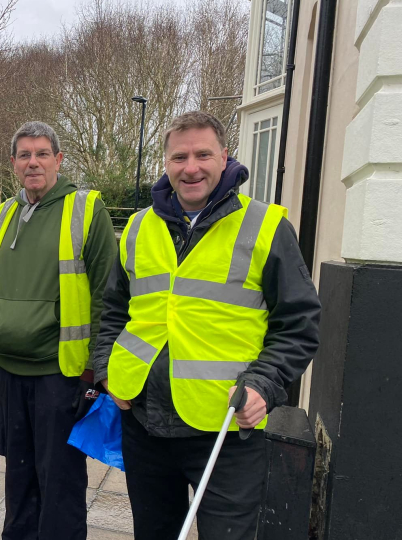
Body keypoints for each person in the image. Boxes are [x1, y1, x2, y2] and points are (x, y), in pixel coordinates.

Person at [93, 111, 322, 540]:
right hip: (144, 422)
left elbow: (298, 323)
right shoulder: (139, 227)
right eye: (179, 157)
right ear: (166, 163)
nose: (191, 167)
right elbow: (113, 311)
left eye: (202, 154)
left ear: (224, 157)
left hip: (225, 430)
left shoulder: (266, 226)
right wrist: (108, 372)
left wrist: (265, 385)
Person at [0, 121, 117, 540]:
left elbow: (107, 299)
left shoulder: (87, 210)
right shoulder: (4, 213)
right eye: (24, 155)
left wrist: (94, 372)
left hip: (62, 375)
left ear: (59, 159)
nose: (33, 162)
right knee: (19, 479)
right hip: (11, 375)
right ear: (13, 163)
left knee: (60, 483)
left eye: (42, 153)